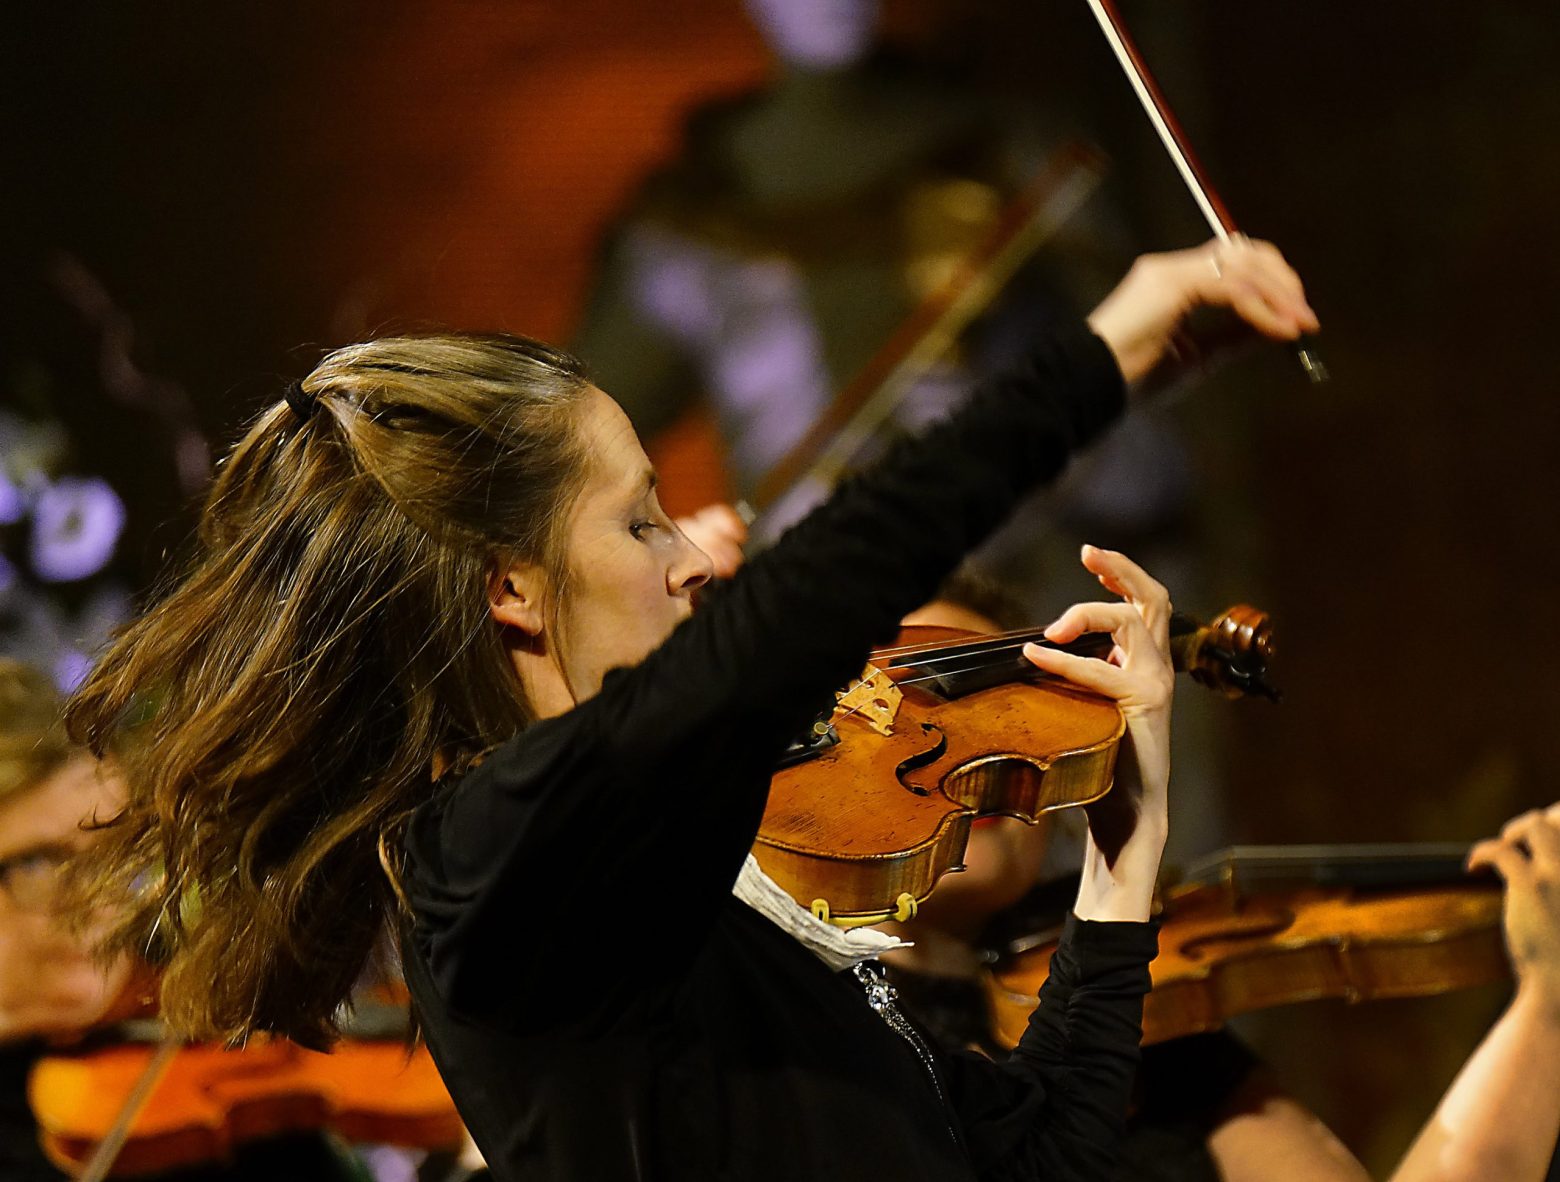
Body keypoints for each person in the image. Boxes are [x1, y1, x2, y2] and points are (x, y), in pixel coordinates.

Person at [66, 238, 1315, 1182]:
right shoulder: (486, 865)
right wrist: (1107, 357)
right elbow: (793, 616)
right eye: (638, 518)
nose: (694, 558)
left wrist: (1122, 862)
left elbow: (1038, 1163)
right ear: (510, 588)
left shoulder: (704, 919)